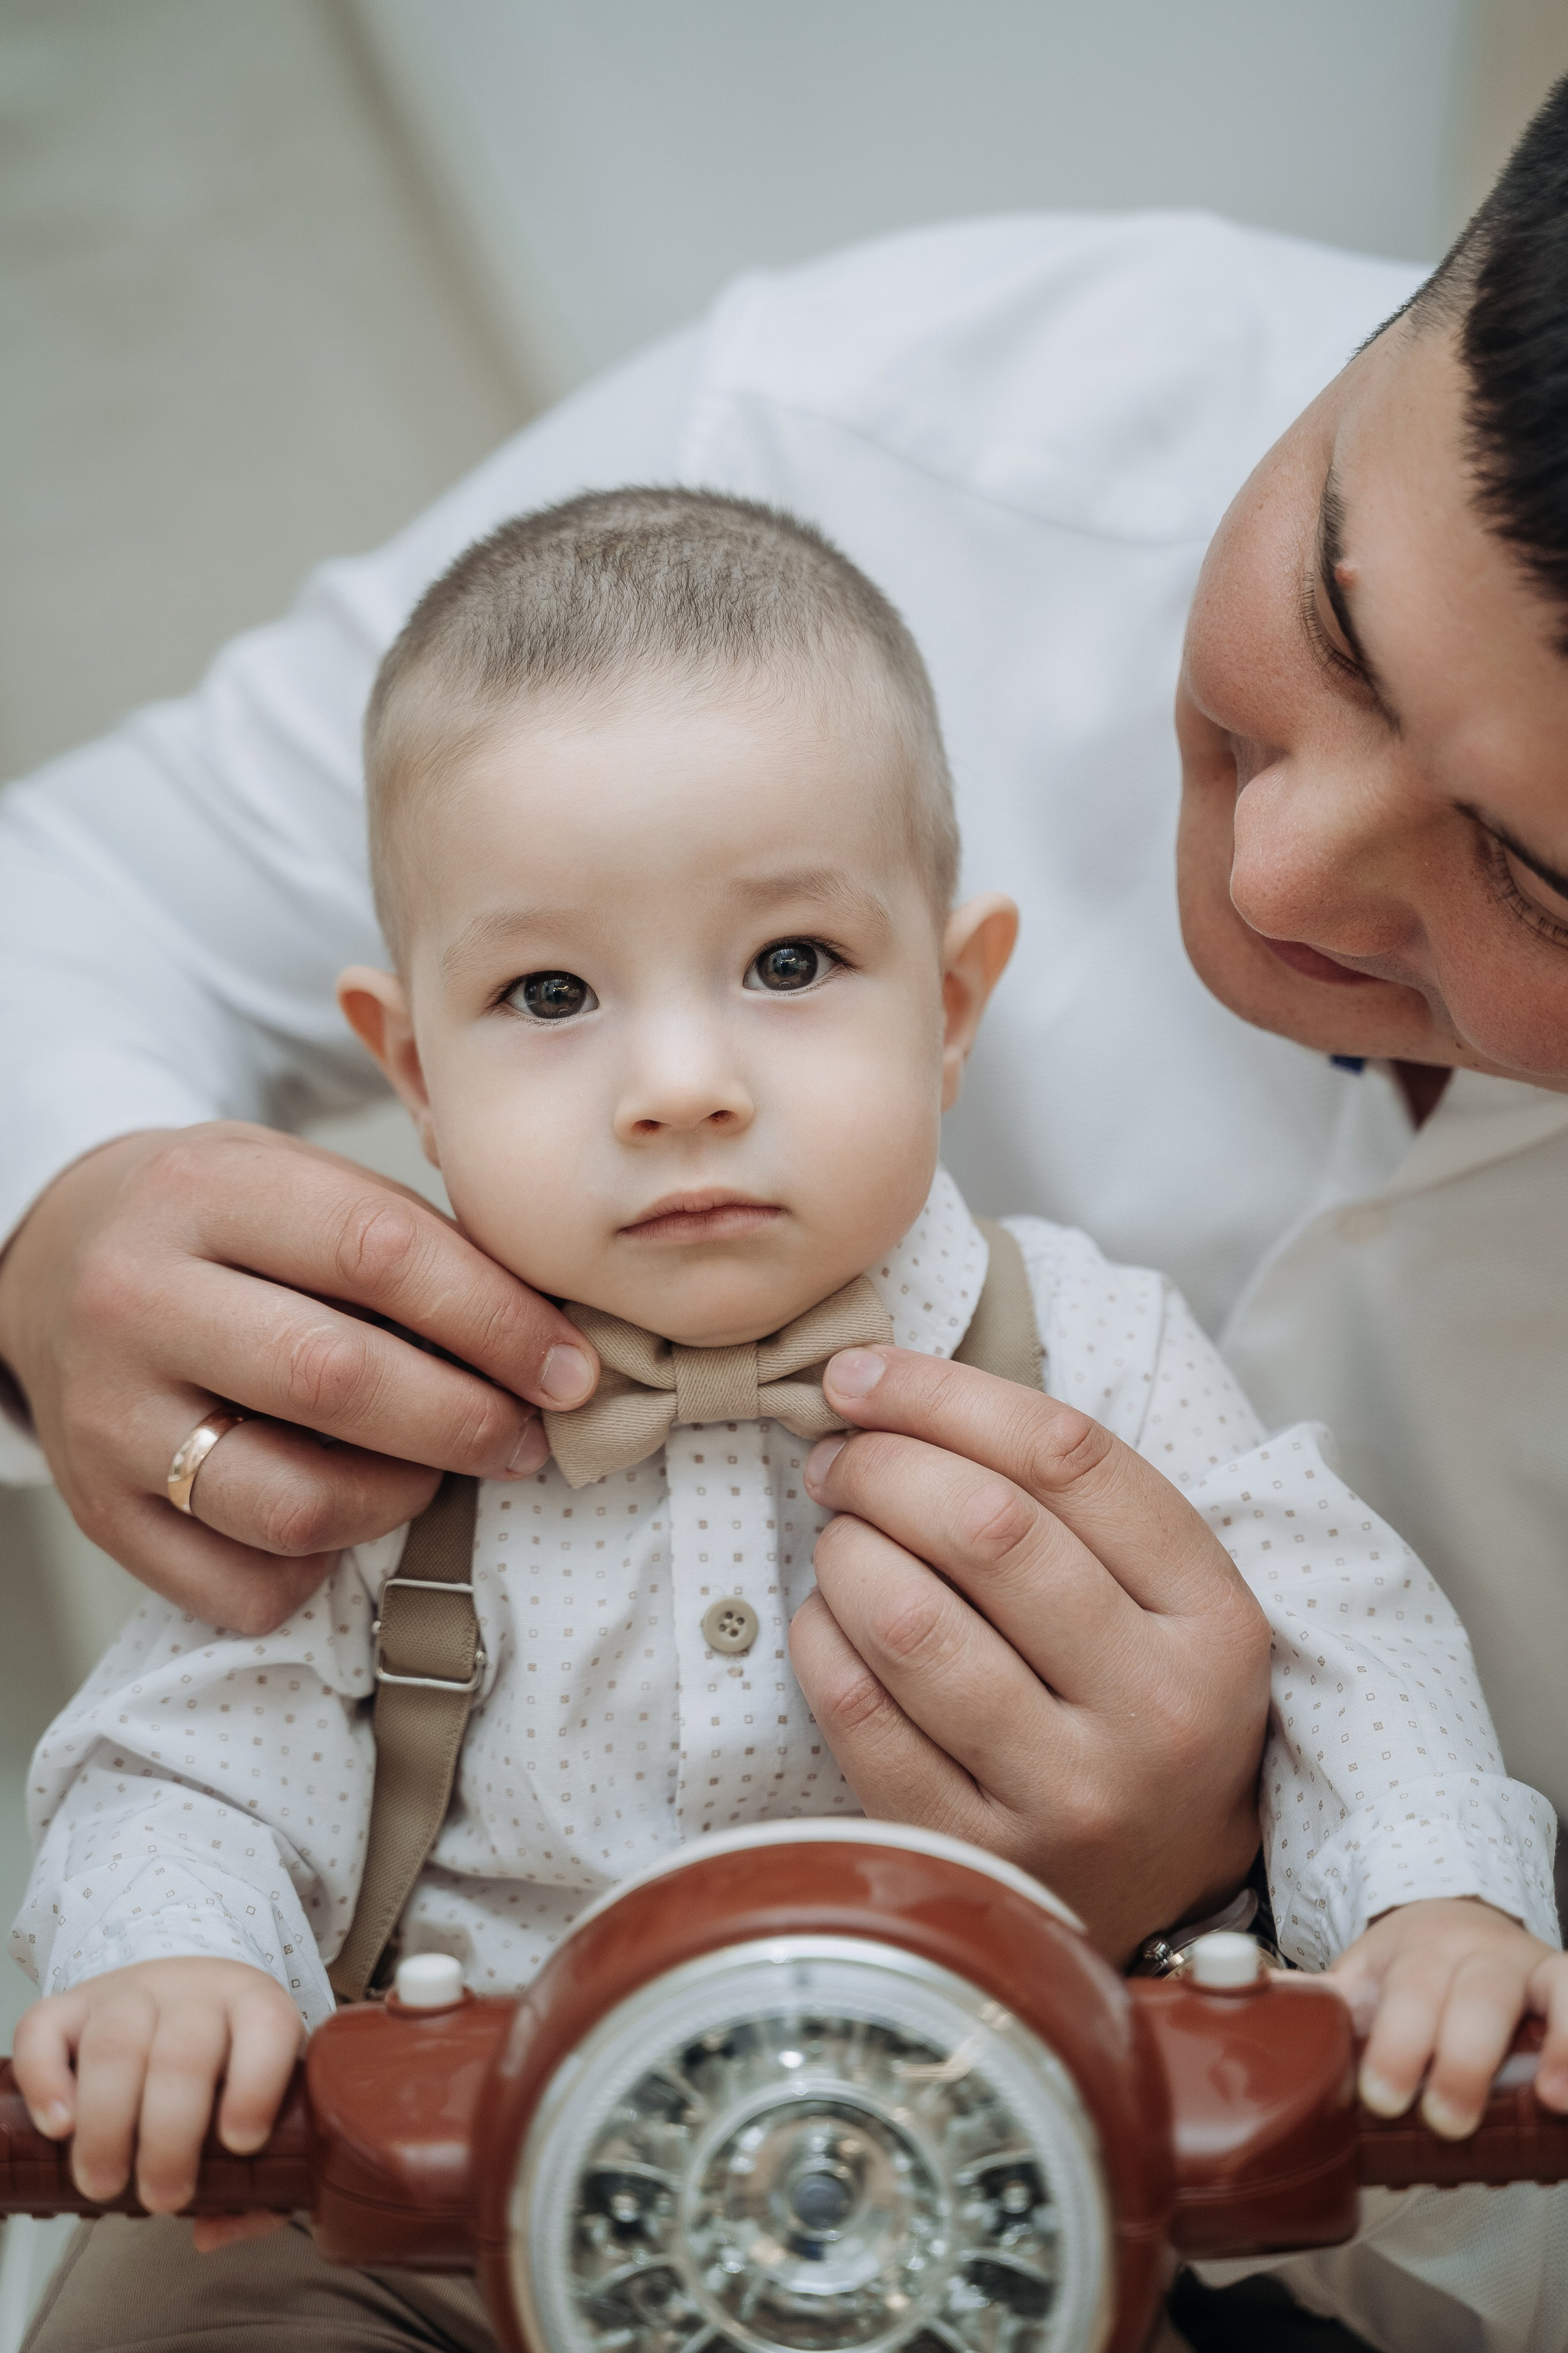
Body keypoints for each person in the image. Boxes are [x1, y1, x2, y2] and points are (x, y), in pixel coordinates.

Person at [6, 69, 1568, 2353]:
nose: (1277, 868)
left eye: (1535, 867)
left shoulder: (1097, 1347)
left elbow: (1366, 1649)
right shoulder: (892, 434)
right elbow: (200, 1738)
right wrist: (57, 1222)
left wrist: (1382, 1903)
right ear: (410, 1059)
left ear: (956, 1003)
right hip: (429, 2220)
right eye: (1333, 610)